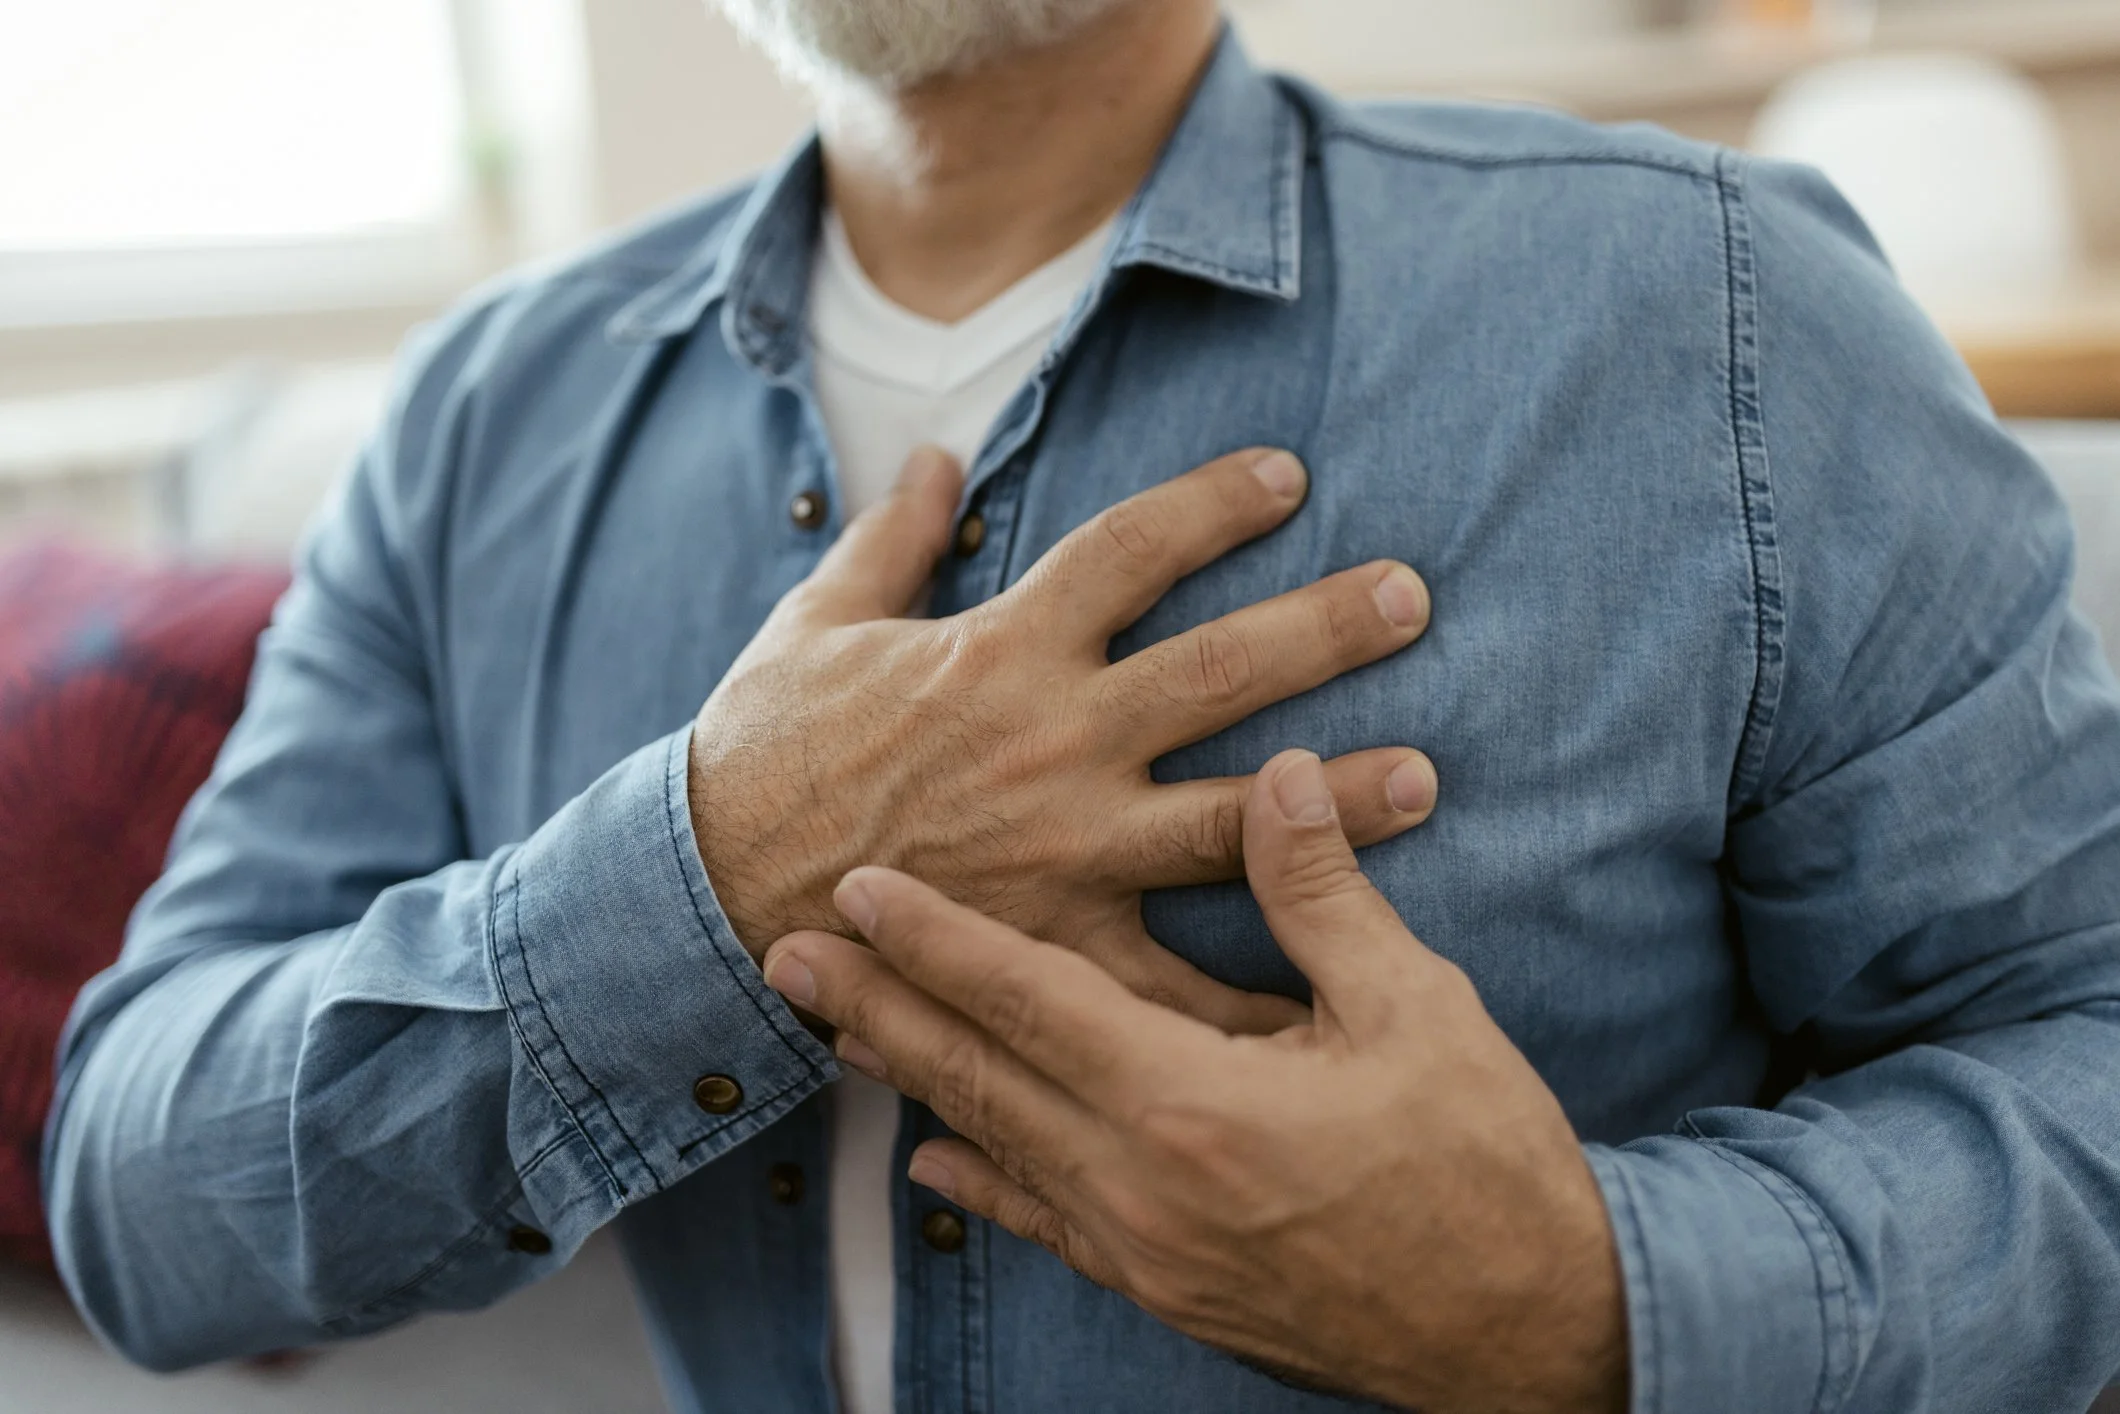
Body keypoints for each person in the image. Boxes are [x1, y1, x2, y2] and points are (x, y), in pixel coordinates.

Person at [42, 0, 2120, 1408]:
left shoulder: (1719, 322)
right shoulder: (481, 420)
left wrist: (1589, 1293)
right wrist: (708, 868)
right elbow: (143, 1197)